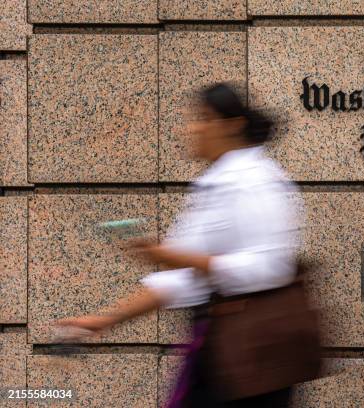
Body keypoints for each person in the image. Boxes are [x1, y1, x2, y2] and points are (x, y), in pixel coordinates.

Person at [57, 83, 315, 407]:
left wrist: (181, 258)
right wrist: (105, 320)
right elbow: (179, 280)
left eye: (204, 118)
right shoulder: (216, 184)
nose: (193, 128)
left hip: (253, 351)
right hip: (224, 350)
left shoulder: (255, 181)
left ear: (232, 125)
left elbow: (271, 267)